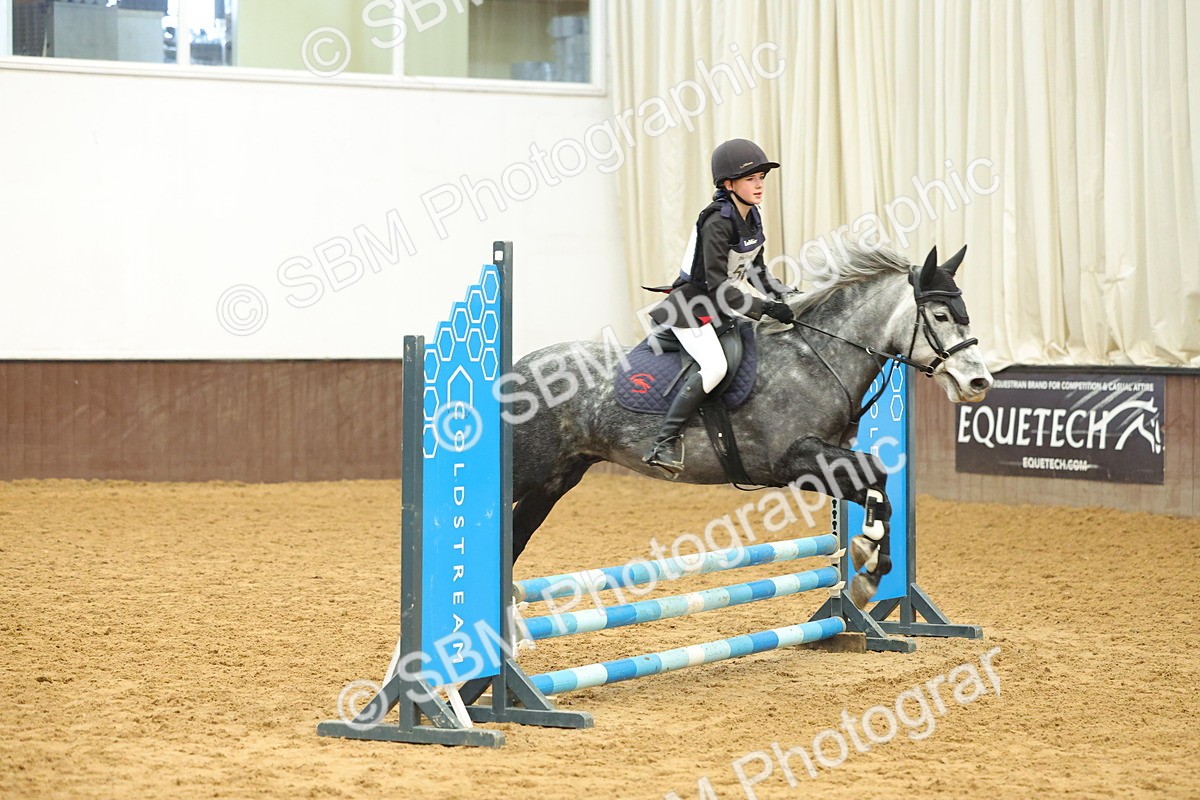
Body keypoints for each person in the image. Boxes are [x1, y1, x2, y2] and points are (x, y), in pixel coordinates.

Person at [642, 138, 797, 476]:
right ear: (729, 185)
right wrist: (766, 309)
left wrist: (787, 297)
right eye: (750, 179)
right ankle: (663, 443)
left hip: (723, 303)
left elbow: (756, 272)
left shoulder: (751, 216)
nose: (759, 186)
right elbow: (718, 286)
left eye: (761, 178)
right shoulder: (717, 221)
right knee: (715, 367)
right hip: (693, 306)